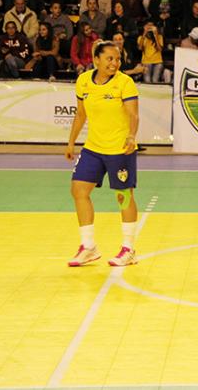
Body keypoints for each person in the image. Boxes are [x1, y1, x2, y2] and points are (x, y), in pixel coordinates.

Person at [65, 40, 140, 267]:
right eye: (109, 58)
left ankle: (128, 249)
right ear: (96, 59)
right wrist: (71, 143)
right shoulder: (83, 81)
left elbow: (133, 114)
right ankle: (88, 247)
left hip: (120, 148)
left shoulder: (125, 83)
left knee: (123, 196)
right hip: (93, 148)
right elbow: (81, 114)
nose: (115, 63)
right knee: (78, 190)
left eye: (117, 59)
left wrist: (131, 136)